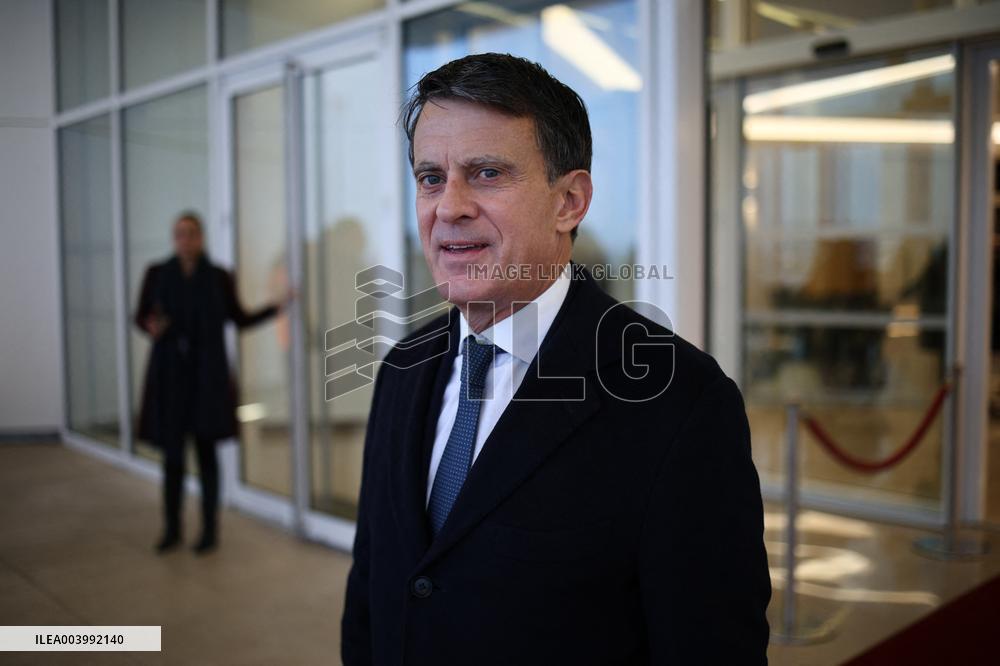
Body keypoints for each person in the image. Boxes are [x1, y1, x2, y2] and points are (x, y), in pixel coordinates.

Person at [341, 53, 771, 664]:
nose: (449, 206)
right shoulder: (402, 369)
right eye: (430, 177)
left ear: (569, 200)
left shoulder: (680, 402)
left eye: (486, 173)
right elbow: (372, 590)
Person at [134, 211, 292, 555]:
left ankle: (209, 531)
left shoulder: (218, 277)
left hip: (206, 378)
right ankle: (172, 529)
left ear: (201, 238)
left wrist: (276, 307)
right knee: (172, 458)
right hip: (170, 378)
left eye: (191, 234)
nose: (185, 240)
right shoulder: (158, 274)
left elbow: (239, 318)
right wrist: (151, 327)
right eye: (179, 234)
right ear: (174, 239)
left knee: (206, 456)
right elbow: (140, 317)